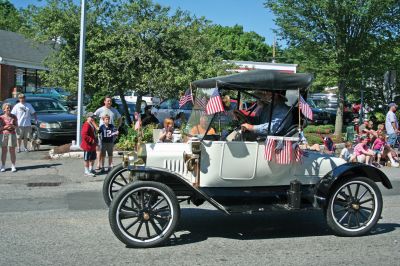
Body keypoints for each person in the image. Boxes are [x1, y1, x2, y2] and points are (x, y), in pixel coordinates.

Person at [94, 96, 121, 170]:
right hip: (102, 133)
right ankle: (99, 164)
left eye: (110, 101)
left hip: (111, 133)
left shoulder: (114, 110)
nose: (109, 102)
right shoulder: (100, 109)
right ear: (104, 101)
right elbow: (92, 118)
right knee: (100, 149)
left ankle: (110, 164)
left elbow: (120, 118)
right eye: (108, 101)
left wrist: (117, 128)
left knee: (110, 149)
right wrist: (96, 127)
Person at [0, 103, 18, 172]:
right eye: (7, 108)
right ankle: (3, 166)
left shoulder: (14, 116)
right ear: (4, 109)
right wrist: (6, 127)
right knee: (4, 151)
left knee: (12, 151)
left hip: (12, 134)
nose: (9, 109)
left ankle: (13, 166)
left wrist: (13, 126)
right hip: (3, 135)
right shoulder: (1, 117)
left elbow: (16, 126)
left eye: (10, 108)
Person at [80, 112, 98, 176]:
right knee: (87, 159)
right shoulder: (86, 125)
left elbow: (96, 130)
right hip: (88, 145)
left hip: (92, 145)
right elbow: (84, 135)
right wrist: (91, 140)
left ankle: (91, 169)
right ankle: (86, 171)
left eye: (93, 117)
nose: (93, 118)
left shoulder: (91, 124)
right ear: (87, 118)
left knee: (92, 158)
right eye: (91, 117)